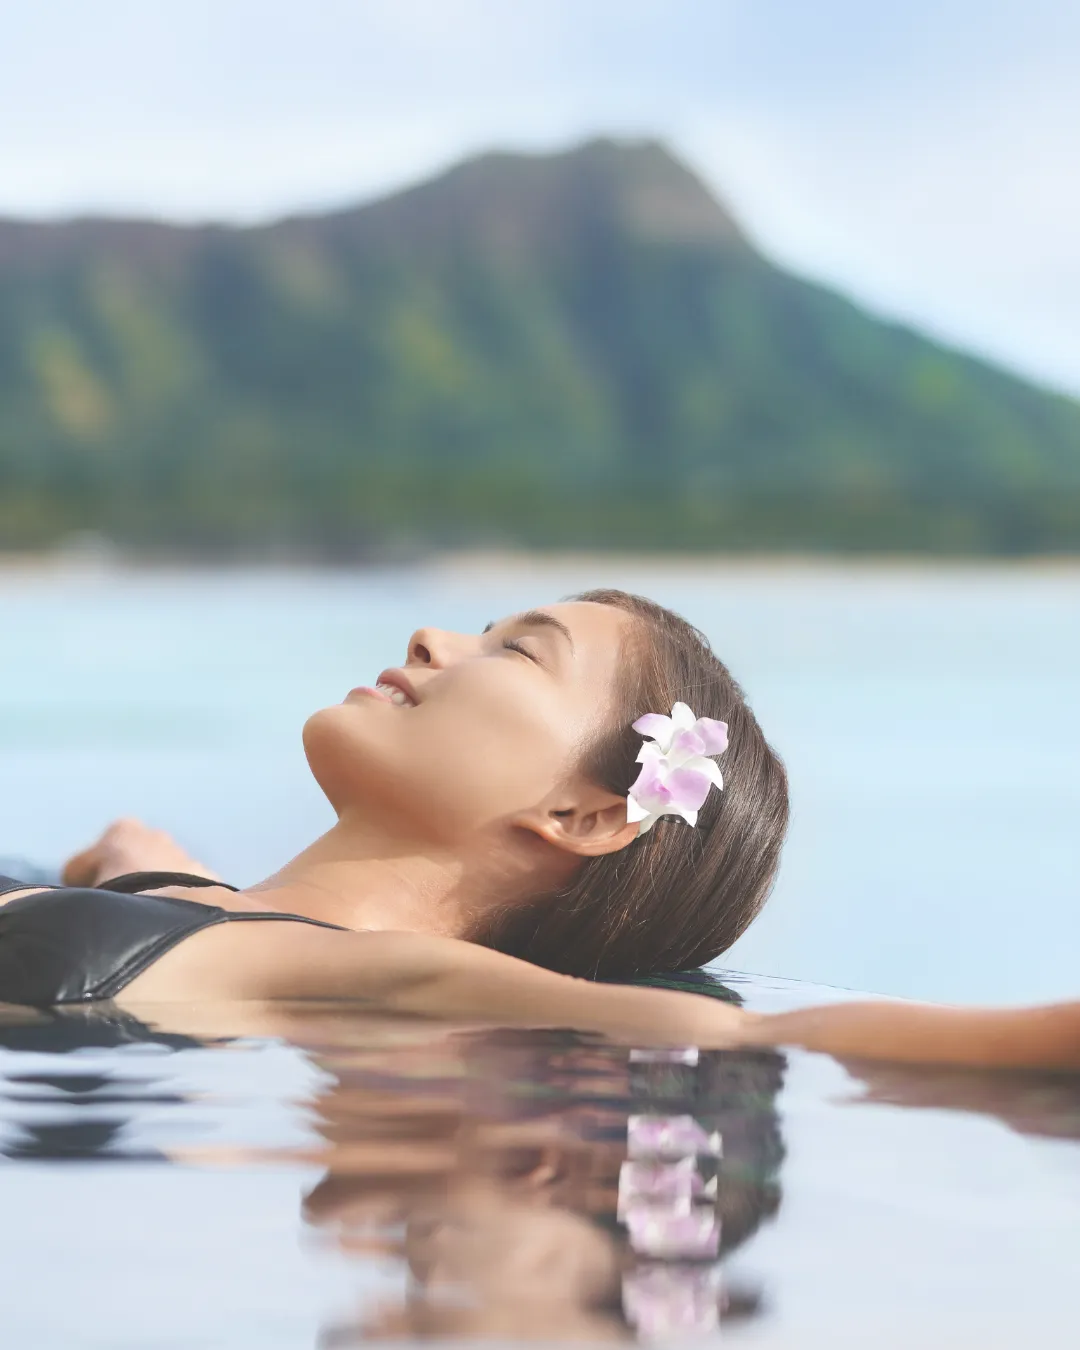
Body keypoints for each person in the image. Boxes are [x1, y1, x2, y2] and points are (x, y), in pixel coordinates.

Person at [0, 589, 1077, 1070]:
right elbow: (140, 851)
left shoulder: (373, 976)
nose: (431, 636)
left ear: (586, 814)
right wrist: (126, 859)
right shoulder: (192, 902)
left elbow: (750, 1036)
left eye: (516, 651)